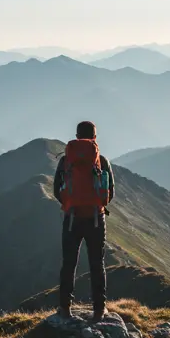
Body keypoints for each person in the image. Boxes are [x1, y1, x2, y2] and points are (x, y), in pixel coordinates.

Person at [53, 121, 115, 322]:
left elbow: (56, 190)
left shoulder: (66, 161)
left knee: (69, 263)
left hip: (72, 219)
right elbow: (110, 193)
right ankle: (99, 310)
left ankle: (65, 308)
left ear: (77, 136)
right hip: (96, 220)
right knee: (97, 264)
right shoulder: (101, 161)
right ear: (94, 138)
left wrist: (71, 203)